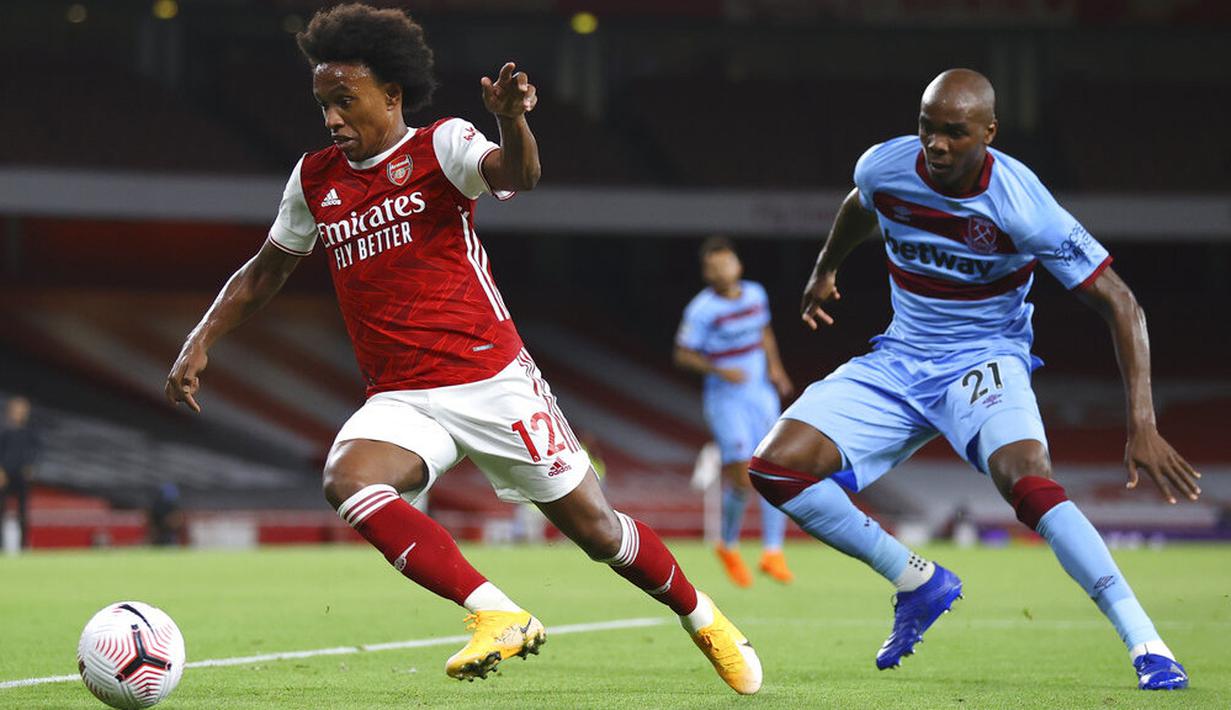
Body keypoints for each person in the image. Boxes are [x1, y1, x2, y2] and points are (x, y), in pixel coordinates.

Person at [164, 3, 760, 694]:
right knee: (349, 481)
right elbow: (265, 270)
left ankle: (702, 615)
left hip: (490, 379)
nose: (330, 118)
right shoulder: (314, 179)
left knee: (599, 534)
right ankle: (496, 613)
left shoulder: (442, 145)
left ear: (391, 94)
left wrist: (511, 116)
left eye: (344, 101)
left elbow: (519, 174)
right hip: (399, 394)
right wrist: (199, 339)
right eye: (323, 103)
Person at [747, 69, 1198, 691]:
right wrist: (825, 270)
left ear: (988, 132)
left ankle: (1147, 643)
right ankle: (917, 580)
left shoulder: (1021, 203)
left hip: (983, 360)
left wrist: (1142, 425)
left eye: (954, 133)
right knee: (775, 468)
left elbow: (1121, 302)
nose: (935, 144)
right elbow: (862, 204)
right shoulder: (885, 167)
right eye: (927, 128)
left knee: (1029, 483)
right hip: (901, 358)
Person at [674, 237, 794, 586]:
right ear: (706, 272)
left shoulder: (756, 294)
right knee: (743, 476)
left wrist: (776, 368)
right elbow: (683, 354)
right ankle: (728, 544)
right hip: (726, 399)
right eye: (714, 266)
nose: (722, 270)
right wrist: (718, 369)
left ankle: (773, 552)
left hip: (761, 393)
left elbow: (765, 332)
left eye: (727, 263)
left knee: (776, 468)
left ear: (738, 265)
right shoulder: (701, 310)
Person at [0, 396, 40, 551]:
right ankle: (2, 546)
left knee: (23, 511)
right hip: (5, 476)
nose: (19, 413)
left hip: (22, 476)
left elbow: (36, 451)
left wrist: (31, 466)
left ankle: (24, 545)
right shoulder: (4, 430)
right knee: (1, 510)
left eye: (22, 410)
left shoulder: (30, 432)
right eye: (16, 409)